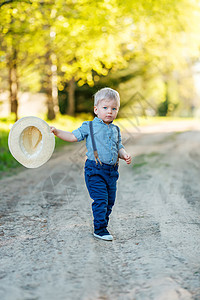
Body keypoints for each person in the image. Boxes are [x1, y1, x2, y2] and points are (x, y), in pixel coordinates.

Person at [50, 87, 131, 241]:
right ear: (96, 109)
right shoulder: (89, 126)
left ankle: (103, 224)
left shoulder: (115, 129)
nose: (109, 111)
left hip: (112, 171)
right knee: (101, 199)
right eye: (105, 108)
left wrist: (124, 154)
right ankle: (99, 229)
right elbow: (73, 136)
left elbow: (118, 147)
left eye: (114, 108)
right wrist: (57, 132)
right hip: (95, 170)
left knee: (110, 201)